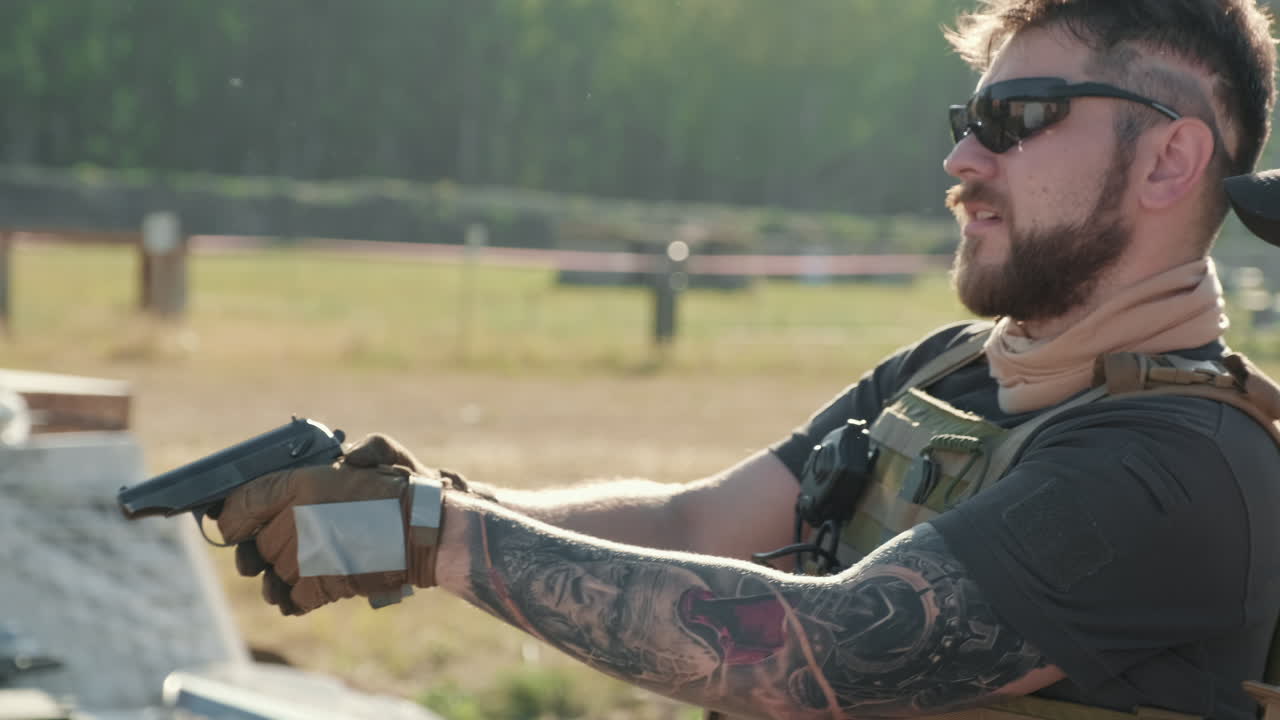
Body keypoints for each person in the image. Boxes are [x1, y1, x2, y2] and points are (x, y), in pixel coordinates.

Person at [214, 1, 1280, 718]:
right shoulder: (952, 370)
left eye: (1018, 118)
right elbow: (696, 525)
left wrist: (437, 540)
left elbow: (824, 652)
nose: (961, 157)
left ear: (1169, 159)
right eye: (969, 118)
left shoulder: (1177, 467)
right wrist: (428, 511)